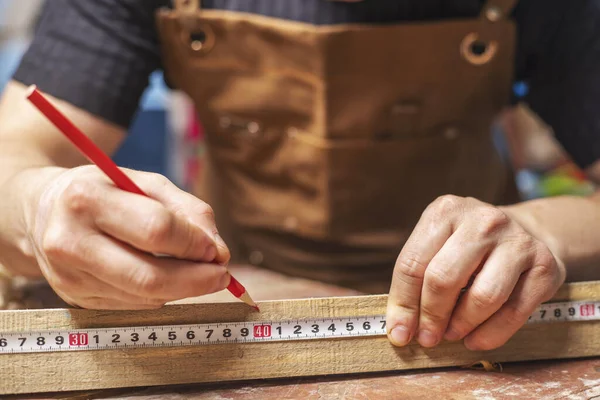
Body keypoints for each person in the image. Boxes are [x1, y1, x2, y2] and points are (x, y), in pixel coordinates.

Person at [1, 0, 600, 352]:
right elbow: (14, 152)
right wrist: (39, 204)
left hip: (471, 317)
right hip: (237, 306)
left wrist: (538, 232)